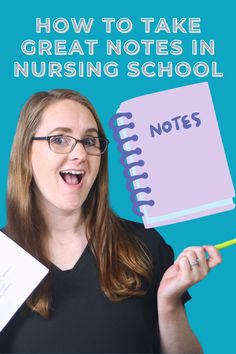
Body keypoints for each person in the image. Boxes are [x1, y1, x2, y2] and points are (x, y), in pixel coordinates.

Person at [0, 89, 221, 353]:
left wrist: (169, 303)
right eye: (59, 139)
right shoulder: (4, 257)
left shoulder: (144, 245)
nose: (80, 154)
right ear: (25, 153)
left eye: (90, 141)